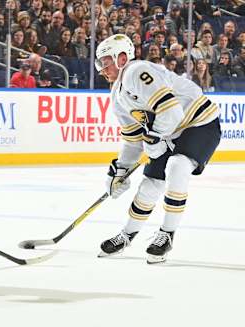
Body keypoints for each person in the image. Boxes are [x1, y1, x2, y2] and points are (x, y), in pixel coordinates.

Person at [94, 34, 221, 264]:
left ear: (121, 58)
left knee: (177, 165)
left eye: (105, 62)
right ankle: (127, 235)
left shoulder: (136, 71)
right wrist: (120, 170)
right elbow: (132, 140)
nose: (102, 69)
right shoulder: (117, 97)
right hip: (170, 132)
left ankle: (167, 234)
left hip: (200, 123)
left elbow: (172, 111)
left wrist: (153, 139)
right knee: (150, 184)